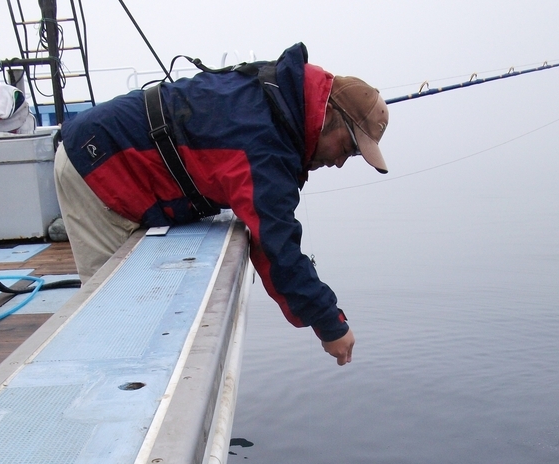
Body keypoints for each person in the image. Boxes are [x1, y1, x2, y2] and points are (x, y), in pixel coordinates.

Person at [54, 43, 389, 365]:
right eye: (348, 146)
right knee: (113, 315)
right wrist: (331, 324)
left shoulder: (278, 103)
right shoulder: (265, 142)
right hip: (98, 161)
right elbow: (276, 246)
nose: (342, 161)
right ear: (327, 112)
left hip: (117, 156)